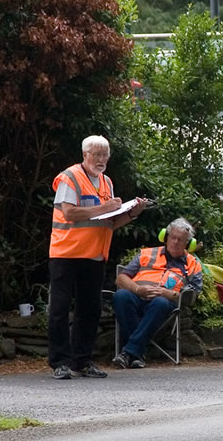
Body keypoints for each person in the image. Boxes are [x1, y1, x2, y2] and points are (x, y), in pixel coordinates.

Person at [48, 135, 147, 380]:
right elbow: (69, 213)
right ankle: (60, 362)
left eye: (105, 155)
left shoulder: (107, 182)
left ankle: (82, 361)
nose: (101, 160)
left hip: (94, 255)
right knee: (60, 308)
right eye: (97, 154)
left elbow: (109, 224)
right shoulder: (70, 177)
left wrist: (133, 214)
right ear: (85, 155)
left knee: (89, 310)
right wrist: (106, 207)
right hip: (66, 253)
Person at [112, 218, 203, 369]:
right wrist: (137, 289)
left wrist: (169, 294)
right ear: (165, 237)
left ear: (188, 243)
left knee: (159, 302)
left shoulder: (193, 264)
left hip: (163, 303)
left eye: (180, 240)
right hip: (136, 295)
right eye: (172, 237)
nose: (175, 242)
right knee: (121, 296)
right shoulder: (147, 253)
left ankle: (129, 352)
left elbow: (193, 295)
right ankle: (135, 354)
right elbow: (121, 278)